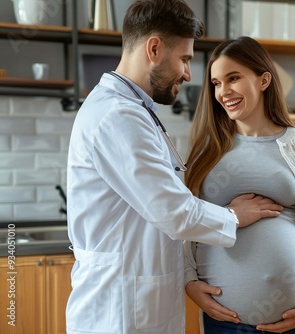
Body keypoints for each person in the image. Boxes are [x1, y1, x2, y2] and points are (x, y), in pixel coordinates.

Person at [65, 2, 283, 333]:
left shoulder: (135, 111)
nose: (188, 73)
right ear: (154, 48)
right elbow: (173, 212)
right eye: (184, 59)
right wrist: (235, 216)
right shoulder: (118, 116)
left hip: (140, 300)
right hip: (118, 310)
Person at [183, 36, 295, 334]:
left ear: (263, 80)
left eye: (233, 78)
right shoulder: (206, 149)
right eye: (216, 83)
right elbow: (184, 226)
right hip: (225, 322)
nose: (223, 91)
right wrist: (189, 281)